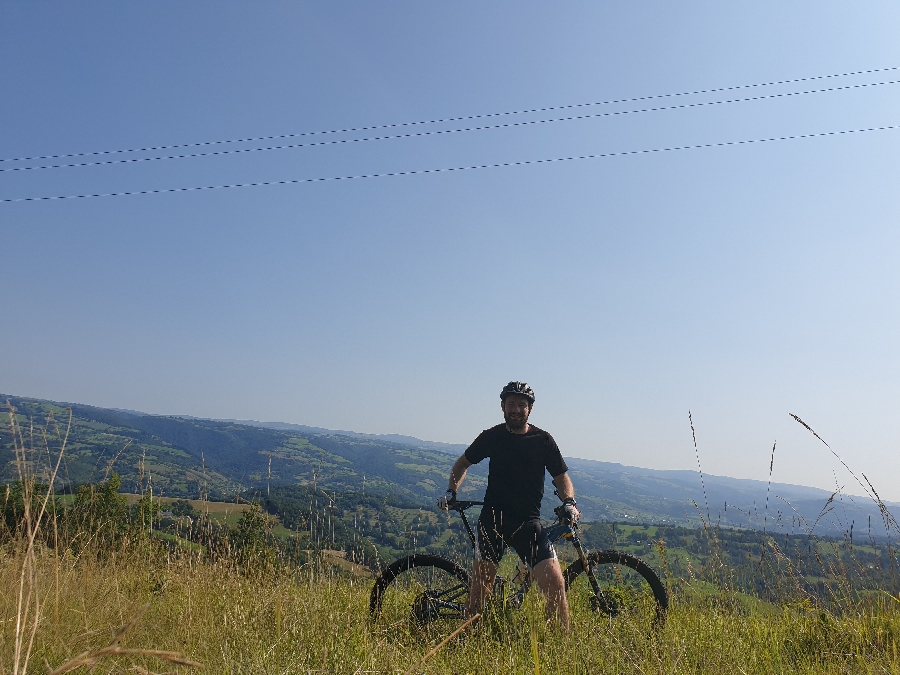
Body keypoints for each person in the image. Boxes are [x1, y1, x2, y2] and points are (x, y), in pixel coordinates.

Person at [437, 381, 580, 631]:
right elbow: (462, 465)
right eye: (511, 404)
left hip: (528, 523)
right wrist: (452, 491)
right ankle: (467, 642)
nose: (516, 410)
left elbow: (561, 477)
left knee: (555, 586)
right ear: (502, 406)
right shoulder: (491, 437)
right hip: (492, 521)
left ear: (530, 409)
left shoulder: (543, 440)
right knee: (480, 593)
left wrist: (569, 501)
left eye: (521, 405)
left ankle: (561, 647)